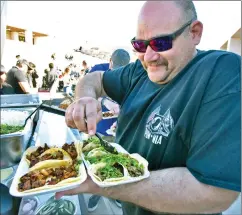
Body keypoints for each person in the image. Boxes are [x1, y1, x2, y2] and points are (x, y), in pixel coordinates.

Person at [57, 1, 240, 215]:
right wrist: (84, 98)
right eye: (140, 46)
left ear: (194, 33)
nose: (149, 56)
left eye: (161, 43)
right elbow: (93, 79)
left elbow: (214, 193)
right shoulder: (139, 71)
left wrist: (105, 181)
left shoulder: (221, 72)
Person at [87, 49, 130, 212]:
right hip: (99, 127)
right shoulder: (98, 69)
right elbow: (90, 93)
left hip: (117, 129)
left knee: (116, 162)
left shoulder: (130, 74)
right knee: (97, 161)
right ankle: (95, 193)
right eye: (115, 70)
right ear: (110, 62)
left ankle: (116, 194)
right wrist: (105, 101)